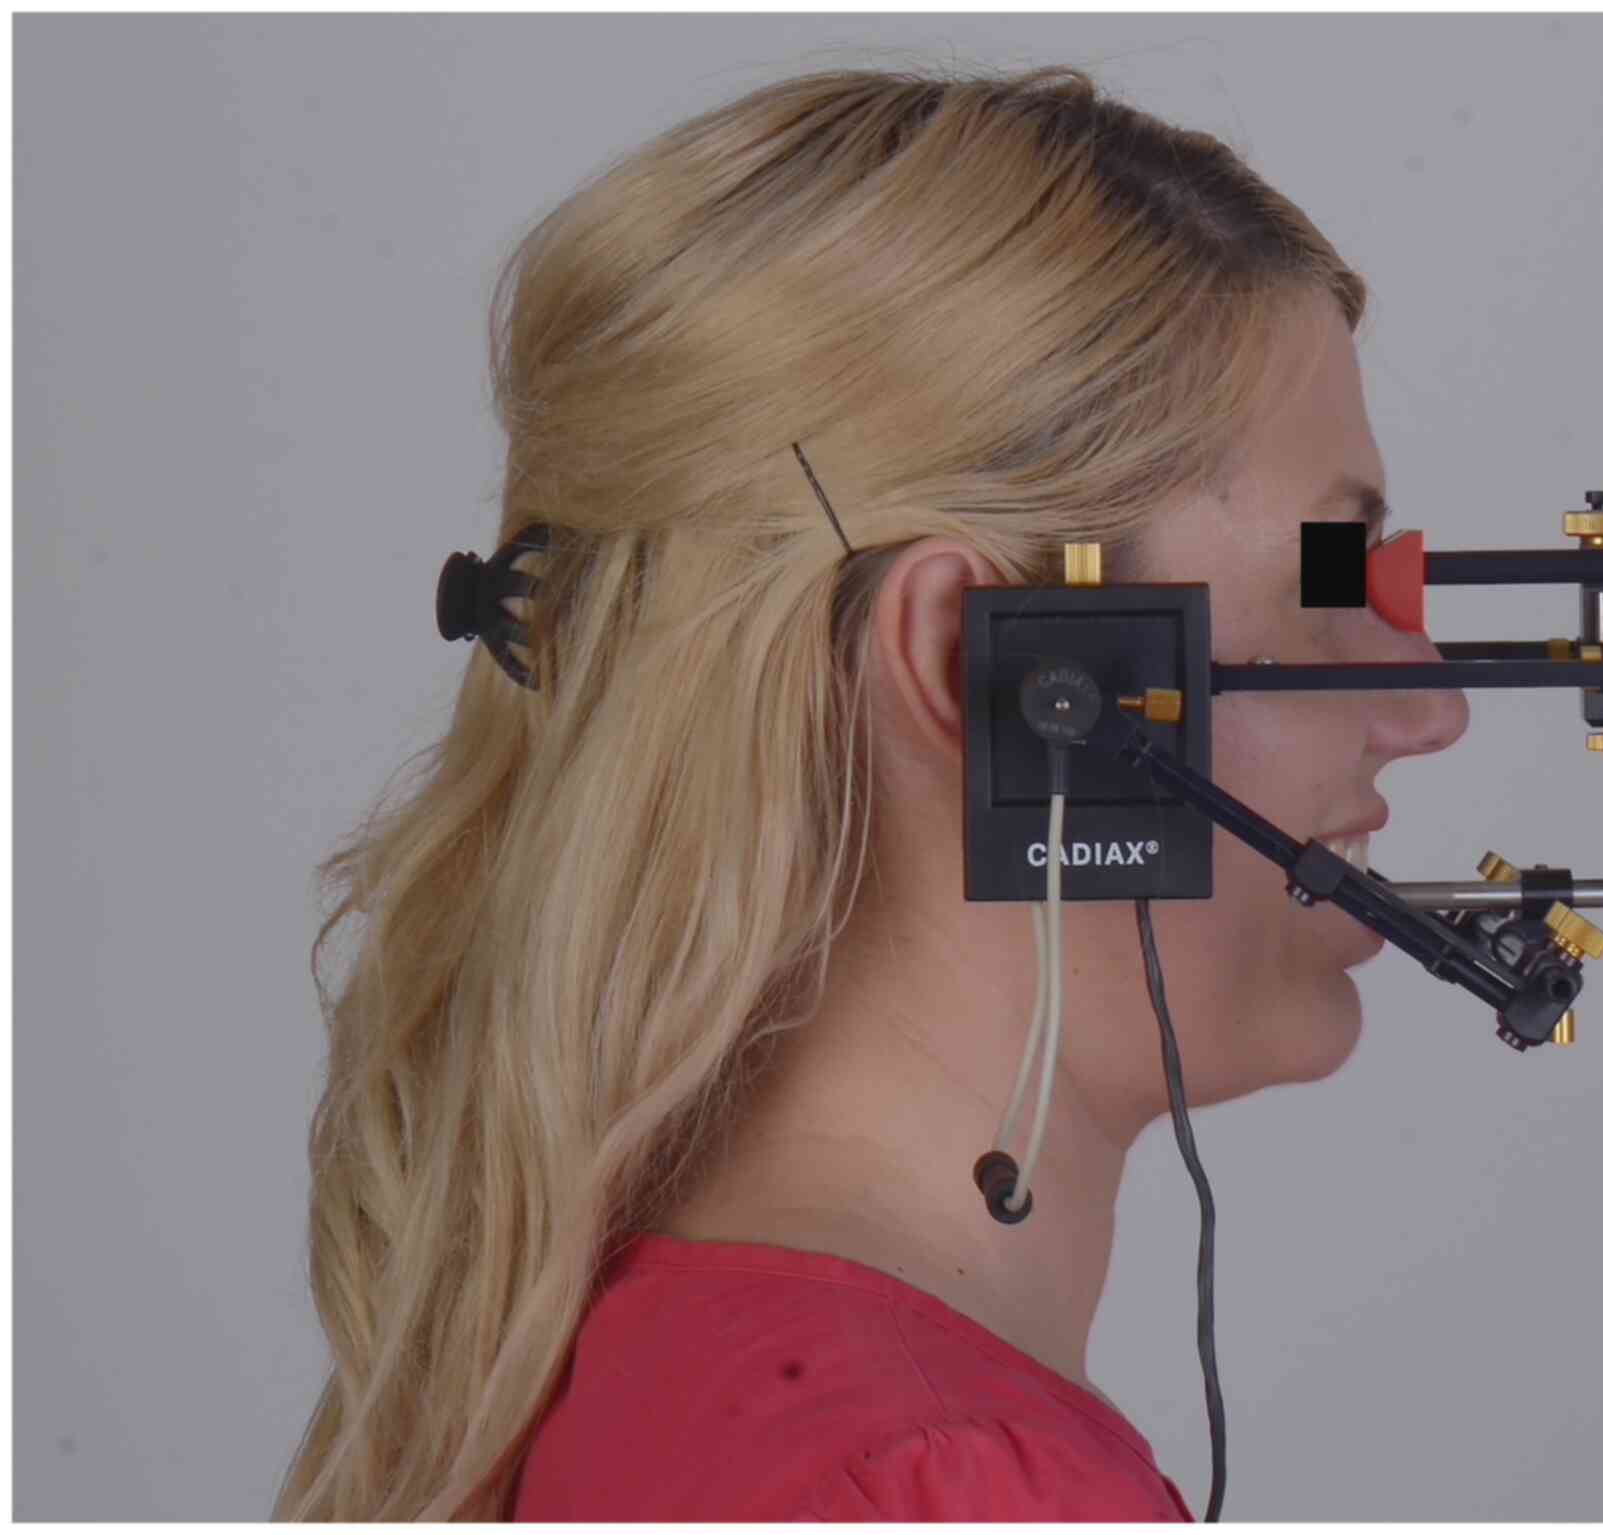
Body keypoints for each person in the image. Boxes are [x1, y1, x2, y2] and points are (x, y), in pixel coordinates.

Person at [273, 64, 1468, 1523]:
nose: (1428, 712)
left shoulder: (652, 1364)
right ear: (981, 665)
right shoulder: (947, 1488)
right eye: (1321, 584)